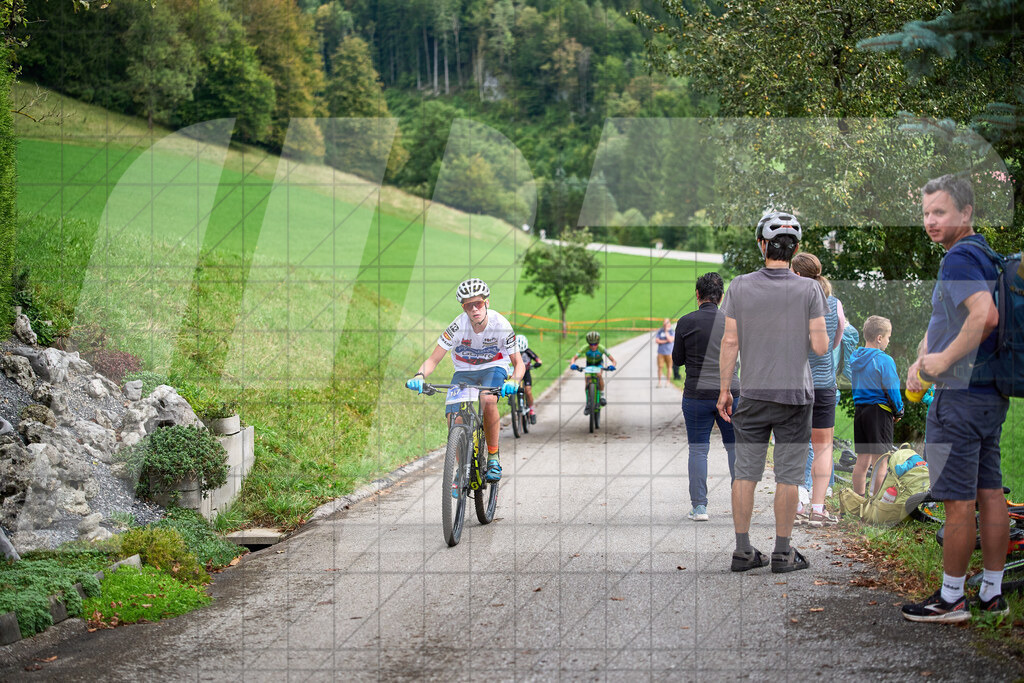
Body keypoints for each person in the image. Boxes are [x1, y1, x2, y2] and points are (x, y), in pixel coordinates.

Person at [902, 175, 1009, 623]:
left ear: (965, 213)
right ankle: (991, 593)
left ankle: (951, 600)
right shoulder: (985, 254)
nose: (930, 221)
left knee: (958, 501)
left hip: (958, 398)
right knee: (990, 494)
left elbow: (985, 316)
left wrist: (938, 362)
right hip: (989, 394)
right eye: (926, 213)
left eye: (940, 212)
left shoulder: (959, 259)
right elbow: (955, 316)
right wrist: (925, 356)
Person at [718, 210, 828, 574]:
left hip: (751, 395)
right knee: (788, 476)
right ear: (796, 248)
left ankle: (743, 550)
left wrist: (724, 390)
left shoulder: (739, 286)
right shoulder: (810, 289)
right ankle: (783, 553)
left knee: (745, 474)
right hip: (795, 397)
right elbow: (821, 347)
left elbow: (730, 342)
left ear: (762, 245)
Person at [406, 278, 525, 483]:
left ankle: (494, 457)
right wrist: (419, 375)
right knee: (454, 417)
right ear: (464, 307)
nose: (474, 309)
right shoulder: (457, 326)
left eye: (478, 303)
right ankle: (461, 469)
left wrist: (514, 380)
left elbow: (519, 363)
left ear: (487, 303)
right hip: (465, 370)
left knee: (487, 399)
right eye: (469, 305)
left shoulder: (501, 325)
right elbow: (433, 359)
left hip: (493, 368)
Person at [672, 272, 739, 522]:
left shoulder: (686, 322)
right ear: (721, 297)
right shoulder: (732, 321)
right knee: (735, 448)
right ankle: (739, 503)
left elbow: (677, 360)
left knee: (698, 450)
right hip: (732, 392)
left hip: (696, 395)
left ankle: (699, 507)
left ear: (697, 295)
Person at [791, 252, 847, 528]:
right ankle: (817, 509)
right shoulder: (834, 304)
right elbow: (836, 341)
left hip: (795, 385)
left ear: (798, 275)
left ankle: (798, 505)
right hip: (824, 385)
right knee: (823, 449)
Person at [850, 315, 903, 496]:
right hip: (880, 412)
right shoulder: (884, 360)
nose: (888, 341)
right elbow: (892, 389)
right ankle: (875, 505)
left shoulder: (855, 358)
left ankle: (859, 500)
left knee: (862, 460)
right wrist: (898, 411)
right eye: (888, 337)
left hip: (860, 411)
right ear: (879, 338)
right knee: (881, 461)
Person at [570, 331, 617, 413]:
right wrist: (572, 364)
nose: (593, 346)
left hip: (599, 364)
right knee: (587, 381)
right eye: (591, 344)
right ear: (588, 343)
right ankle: (588, 403)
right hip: (589, 364)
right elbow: (574, 358)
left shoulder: (602, 348)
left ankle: (602, 396)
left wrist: (613, 366)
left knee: (599, 375)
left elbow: (613, 360)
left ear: (598, 343)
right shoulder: (585, 348)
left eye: (595, 344)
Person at [517, 335, 542, 424]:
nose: (520, 353)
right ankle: (512, 401)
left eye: (522, 352)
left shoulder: (528, 352)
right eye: (519, 352)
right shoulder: (512, 352)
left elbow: (538, 360)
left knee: (528, 391)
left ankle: (531, 410)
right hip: (516, 373)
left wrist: (537, 364)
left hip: (526, 372)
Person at [654, 318, 674, 387]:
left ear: (669, 324)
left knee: (669, 367)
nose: (665, 324)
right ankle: (659, 382)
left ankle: (668, 382)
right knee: (660, 367)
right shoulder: (660, 331)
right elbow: (657, 340)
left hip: (669, 353)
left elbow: (671, 340)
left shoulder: (672, 331)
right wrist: (665, 341)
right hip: (661, 353)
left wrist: (666, 332)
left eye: (667, 323)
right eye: (664, 323)